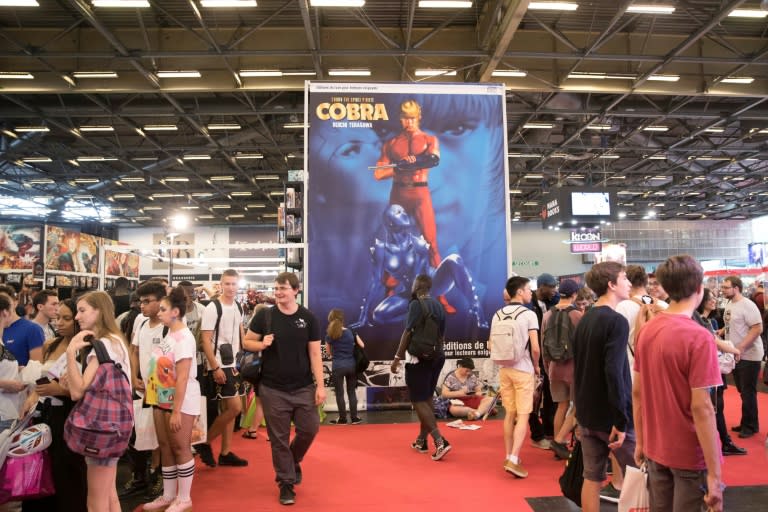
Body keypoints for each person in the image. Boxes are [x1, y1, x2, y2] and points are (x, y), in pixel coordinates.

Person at [633, 255, 724, 512]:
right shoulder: (699, 337)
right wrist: (716, 476)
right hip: (689, 455)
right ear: (699, 289)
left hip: (655, 447)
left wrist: (641, 441)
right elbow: (702, 408)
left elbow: (638, 392)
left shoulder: (647, 331)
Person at [243, 272, 326, 506]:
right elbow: (247, 341)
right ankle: (286, 483)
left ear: (296, 291)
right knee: (278, 439)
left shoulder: (308, 318)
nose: (278, 292)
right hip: (272, 388)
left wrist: (320, 386)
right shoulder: (265, 316)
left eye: (284, 288)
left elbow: (314, 354)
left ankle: (292, 461)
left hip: (303, 387)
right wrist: (262, 343)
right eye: (277, 288)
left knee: (309, 429)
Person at [351, 204, 486, 330]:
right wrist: (363, 315)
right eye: (399, 212)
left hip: (432, 285)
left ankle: (476, 308)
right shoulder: (381, 250)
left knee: (454, 259)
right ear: (390, 222)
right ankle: (415, 317)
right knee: (378, 315)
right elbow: (376, 282)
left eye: (404, 211)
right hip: (410, 293)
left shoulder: (418, 244)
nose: (404, 214)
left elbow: (422, 278)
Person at [572, 261, 636, 512]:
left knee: (592, 477)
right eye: (624, 278)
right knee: (641, 475)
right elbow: (614, 372)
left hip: (588, 414)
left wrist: (579, 413)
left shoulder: (584, 320)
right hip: (611, 418)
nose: (629, 283)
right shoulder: (616, 321)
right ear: (611, 284)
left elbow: (581, 371)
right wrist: (620, 421)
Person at [64, 291, 132, 512]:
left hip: (100, 428)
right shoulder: (116, 341)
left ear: (99, 311)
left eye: (82, 310)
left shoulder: (103, 346)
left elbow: (77, 392)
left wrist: (70, 352)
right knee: (110, 495)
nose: (77, 317)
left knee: (96, 502)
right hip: (115, 426)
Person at [22, 299, 87, 512]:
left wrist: (60, 390)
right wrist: (33, 396)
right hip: (45, 414)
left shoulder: (87, 348)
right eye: (58, 317)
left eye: (66, 318)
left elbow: (88, 389)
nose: (59, 322)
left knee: (67, 472)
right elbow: (41, 377)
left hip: (72, 416)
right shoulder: (51, 344)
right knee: (42, 468)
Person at [142, 287, 201, 512]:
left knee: (180, 446)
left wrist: (177, 411)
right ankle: (168, 495)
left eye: (164, 309)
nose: (159, 312)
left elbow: (183, 376)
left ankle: (184, 498)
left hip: (181, 400)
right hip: (161, 398)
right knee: (165, 445)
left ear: (175, 312)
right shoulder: (170, 334)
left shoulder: (184, 338)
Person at [390, 274, 450, 462]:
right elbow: (442, 335)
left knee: (418, 401)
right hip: (437, 357)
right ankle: (421, 440)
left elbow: (407, 333)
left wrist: (397, 358)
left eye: (414, 282)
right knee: (427, 398)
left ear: (418, 286)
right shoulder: (439, 305)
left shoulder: (416, 304)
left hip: (418, 359)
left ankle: (440, 441)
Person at [197, 269, 247, 467]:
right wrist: (215, 367)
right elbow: (205, 340)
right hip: (219, 364)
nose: (231, 288)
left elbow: (241, 335)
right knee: (235, 408)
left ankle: (225, 453)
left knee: (229, 409)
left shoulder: (238, 307)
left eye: (234, 284)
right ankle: (205, 442)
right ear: (221, 284)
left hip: (234, 363)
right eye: (227, 284)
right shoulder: (212, 308)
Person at [492, 276, 539, 478]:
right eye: (529, 289)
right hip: (523, 369)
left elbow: (489, 344)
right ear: (520, 291)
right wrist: (536, 366)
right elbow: (535, 348)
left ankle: (510, 455)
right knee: (523, 414)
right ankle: (513, 458)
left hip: (504, 369)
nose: (531, 293)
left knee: (509, 414)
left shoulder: (497, 314)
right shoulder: (529, 315)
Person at [124, 280, 167, 499]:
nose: (142, 306)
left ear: (161, 301)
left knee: (160, 436)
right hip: (140, 388)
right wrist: (133, 376)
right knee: (136, 434)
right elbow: (133, 350)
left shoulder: (170, 324)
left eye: (148, 301)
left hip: (162, 389)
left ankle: (159, 475)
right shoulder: (140, 321)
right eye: (141, 301)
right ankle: (139, 477)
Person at [696, 287, 746, 456]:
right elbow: (713, 341)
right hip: (706, 372)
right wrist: (734, 350)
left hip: (714, 369)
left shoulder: (709, 321)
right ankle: (722, 442)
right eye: (710, 298)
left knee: (717, 407)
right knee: (714, 408)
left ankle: (722, 441)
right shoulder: (699, 321)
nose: (714, 300)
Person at [541, 279, 583, 461]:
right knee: (578, 408)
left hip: (554, 369)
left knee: (561, 406)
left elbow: (543, 347)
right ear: (574, 295)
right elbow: (582, 345)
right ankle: (560, 440)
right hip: (574, 369)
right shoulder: (577, 315)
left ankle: (558, 446)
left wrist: (547, 367)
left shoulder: (547, 315)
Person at [719, 275, 763, 439]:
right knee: (742, 391)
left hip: (749, 355)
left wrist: (740, 348)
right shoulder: (731, 304)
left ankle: (750, 426)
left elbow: (757, 328)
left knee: (748, 392)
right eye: (722, 287)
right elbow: (731, 323)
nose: (723, 290)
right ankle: (747, 422)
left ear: (736, 288)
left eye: (726, 287)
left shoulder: (748, 305)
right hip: (736, 355)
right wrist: (721, 332)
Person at [528, 272, 558, 450]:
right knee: (534, 399)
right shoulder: (528, 305)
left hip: (549, 357)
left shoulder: (553, 302)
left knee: (551, 395)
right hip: (533, 358)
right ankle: (536, 434)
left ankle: (549, 429)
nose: (555, 290)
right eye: (551, 287)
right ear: (541, 287)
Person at [324, 308, 364, 425]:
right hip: (351, 365)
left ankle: (342, 419)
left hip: (338, 366)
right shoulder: (351, 332)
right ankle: (355, 418)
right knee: (351, 392)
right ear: (342, 319)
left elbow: (328, 353)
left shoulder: (330, 334)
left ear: (330, 319)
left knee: (339, 393)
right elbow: (362, 345)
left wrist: (335, 355)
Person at [0, 284, 45, 365]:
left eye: (5, 302)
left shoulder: (32, 329)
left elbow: (37, 369)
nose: (2, 305)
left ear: (15, 303)